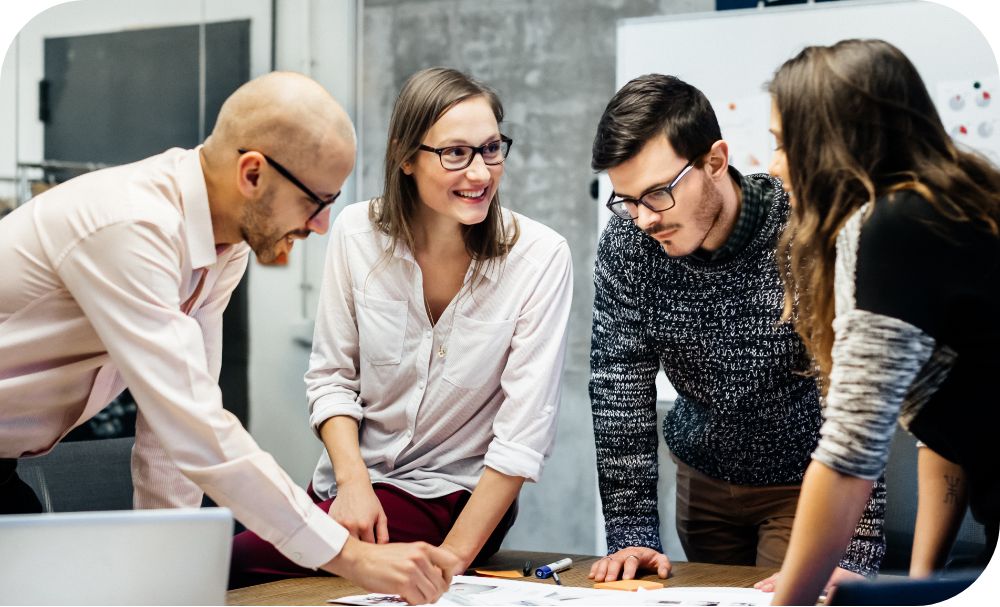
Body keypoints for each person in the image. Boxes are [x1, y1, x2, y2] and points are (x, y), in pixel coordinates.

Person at [0, 71, 457, 605]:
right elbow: (196, 428)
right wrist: (352, 556)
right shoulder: (131, 228)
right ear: (253, 173)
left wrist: (163, 578)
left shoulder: (224, 250)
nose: (323, 225)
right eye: (316, 201)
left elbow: (171, 439)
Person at [228, 67, 573, 588]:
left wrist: (453, 560)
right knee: (220, 538)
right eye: (455, 153)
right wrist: (352, 484)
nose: (480, 173)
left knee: (226, 562)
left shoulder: (540, 256)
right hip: (351, 489)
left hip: (454, 498)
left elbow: (522, 435)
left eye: (492, 148)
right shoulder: (355, 234)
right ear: (406, 157)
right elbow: (331, 379)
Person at [586, 74, 886, 588]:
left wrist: (856, 552)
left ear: (715, 161)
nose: (642, 220)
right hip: (701, 479)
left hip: (803, 483)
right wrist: (631, 531)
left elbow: (854, 390)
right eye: (627, 200)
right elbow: (619, 384)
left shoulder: (802, 231)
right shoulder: (629, 244)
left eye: (658, 194)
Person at [765, 39, 1000, 605]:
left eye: (781, 143)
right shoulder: (956, 202)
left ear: (830, 142)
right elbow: (953, 420)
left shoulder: (892, 225)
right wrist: (922, 587)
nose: (774, 167)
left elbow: (848, 456)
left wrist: (788, 602)